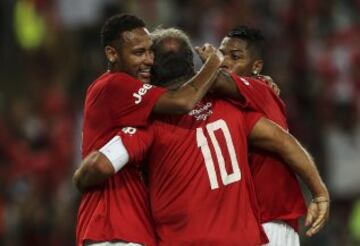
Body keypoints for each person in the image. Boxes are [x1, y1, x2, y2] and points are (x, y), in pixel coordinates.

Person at [74, 28, 329, 245]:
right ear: (192, 65)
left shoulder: (150, 124)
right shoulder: (232, 109)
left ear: (152, 74)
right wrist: (319, 192)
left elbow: (101, 164)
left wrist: (81, 179)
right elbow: (283, 141)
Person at [77, 14, 224, 246]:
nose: (148, 60)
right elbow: (182, 101)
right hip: (113, 228)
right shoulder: (114, 85)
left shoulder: (135, 107)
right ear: (112, 54)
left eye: (150, 51)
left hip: (126, 229)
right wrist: (214, 64)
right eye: (138, 53)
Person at [218, 25, 330, 244]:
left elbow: (286, 144)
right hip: (253, 224)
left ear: (256, 66)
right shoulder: (247, 93)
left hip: (269, 223)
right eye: (221, 54)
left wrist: (319, 193)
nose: (224, 61)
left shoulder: (257, 89)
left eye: (235, 56)